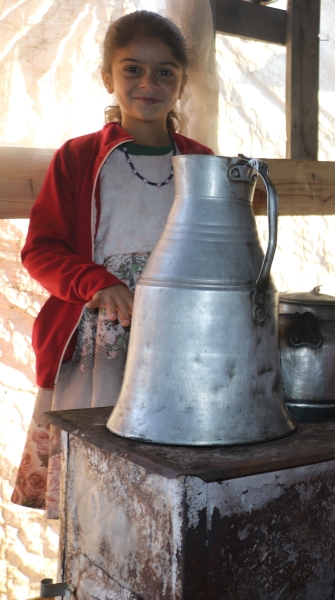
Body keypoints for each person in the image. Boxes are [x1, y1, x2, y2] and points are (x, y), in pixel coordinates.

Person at [12, 11, 214, 517]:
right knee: (96, 500)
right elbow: (41, 249)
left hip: (182, 347)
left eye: (165, 71)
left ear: (182, 82)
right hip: (97, 352)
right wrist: (97, 283)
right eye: (133, 69)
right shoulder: (78, 158)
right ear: (108, 77)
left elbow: (222, 252)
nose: (149, 83)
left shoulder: (202, 162)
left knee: (168, 490)